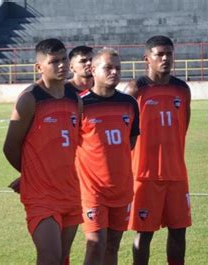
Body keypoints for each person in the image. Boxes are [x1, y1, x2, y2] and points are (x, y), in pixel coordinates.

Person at [3, 38, 82, 265]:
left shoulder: (74, 99)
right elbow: (10, 146)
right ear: (39, 67)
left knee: (63, 258)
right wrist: (30, 175)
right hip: (41, 195)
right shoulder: (30, 99)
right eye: (53, 61)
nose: (61, 65)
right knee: (49, 258)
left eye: (64, 59)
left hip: (69, 190)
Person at [125, 35, 191, 265]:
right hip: (145, 175)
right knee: (144, 234)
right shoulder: (136, 89)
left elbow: (183, 127)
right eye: (159, 54)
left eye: (169, 54)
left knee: (179, 231)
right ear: (147, 59)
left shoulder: (182, 89)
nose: (165, 58)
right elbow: (126, 133)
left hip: (176, 175)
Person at [76, 48, 139, 265]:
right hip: (92, 190)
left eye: (118, 68)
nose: (114, 72)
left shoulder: (129, 103)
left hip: (121, 188)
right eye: (108, 68)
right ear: (93, 70)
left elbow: (130, 141)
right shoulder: (80, 104)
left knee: (112, 246)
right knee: (95, 245)